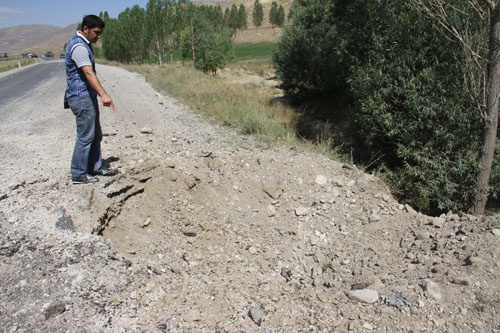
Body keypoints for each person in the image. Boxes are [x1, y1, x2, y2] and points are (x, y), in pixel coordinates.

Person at [65, 15, 116, 184]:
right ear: (85, 29)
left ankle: (95, 166)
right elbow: (88, 73)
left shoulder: (84, 44)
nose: (99, 36)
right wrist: (104, 94)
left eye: (101, 33)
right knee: (86, 136)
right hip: (81, 97)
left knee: (95, 134)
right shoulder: (79, 46)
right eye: (96, 32)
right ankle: (79, 173)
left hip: (86, 96)